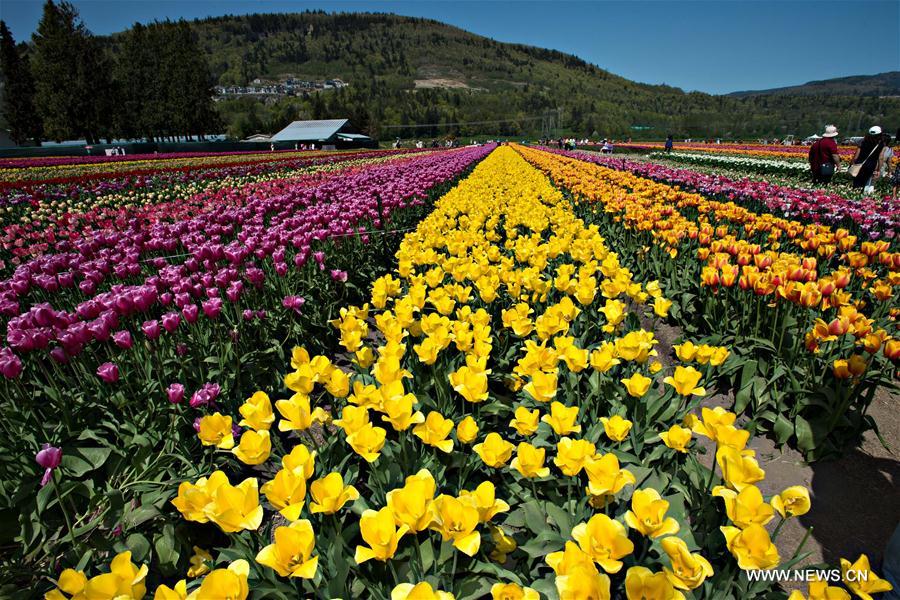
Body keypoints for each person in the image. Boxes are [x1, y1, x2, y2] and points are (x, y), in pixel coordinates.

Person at [849, 126, 885, 192]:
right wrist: (878, 170)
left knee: (856, 183)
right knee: (865, 183)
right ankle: (861, 198)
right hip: (871, 166)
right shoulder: (881, 144)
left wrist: (852, 164)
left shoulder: (863, 141)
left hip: (859, 164)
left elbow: (856, 155)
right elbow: (881, 158)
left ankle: (854, 195)